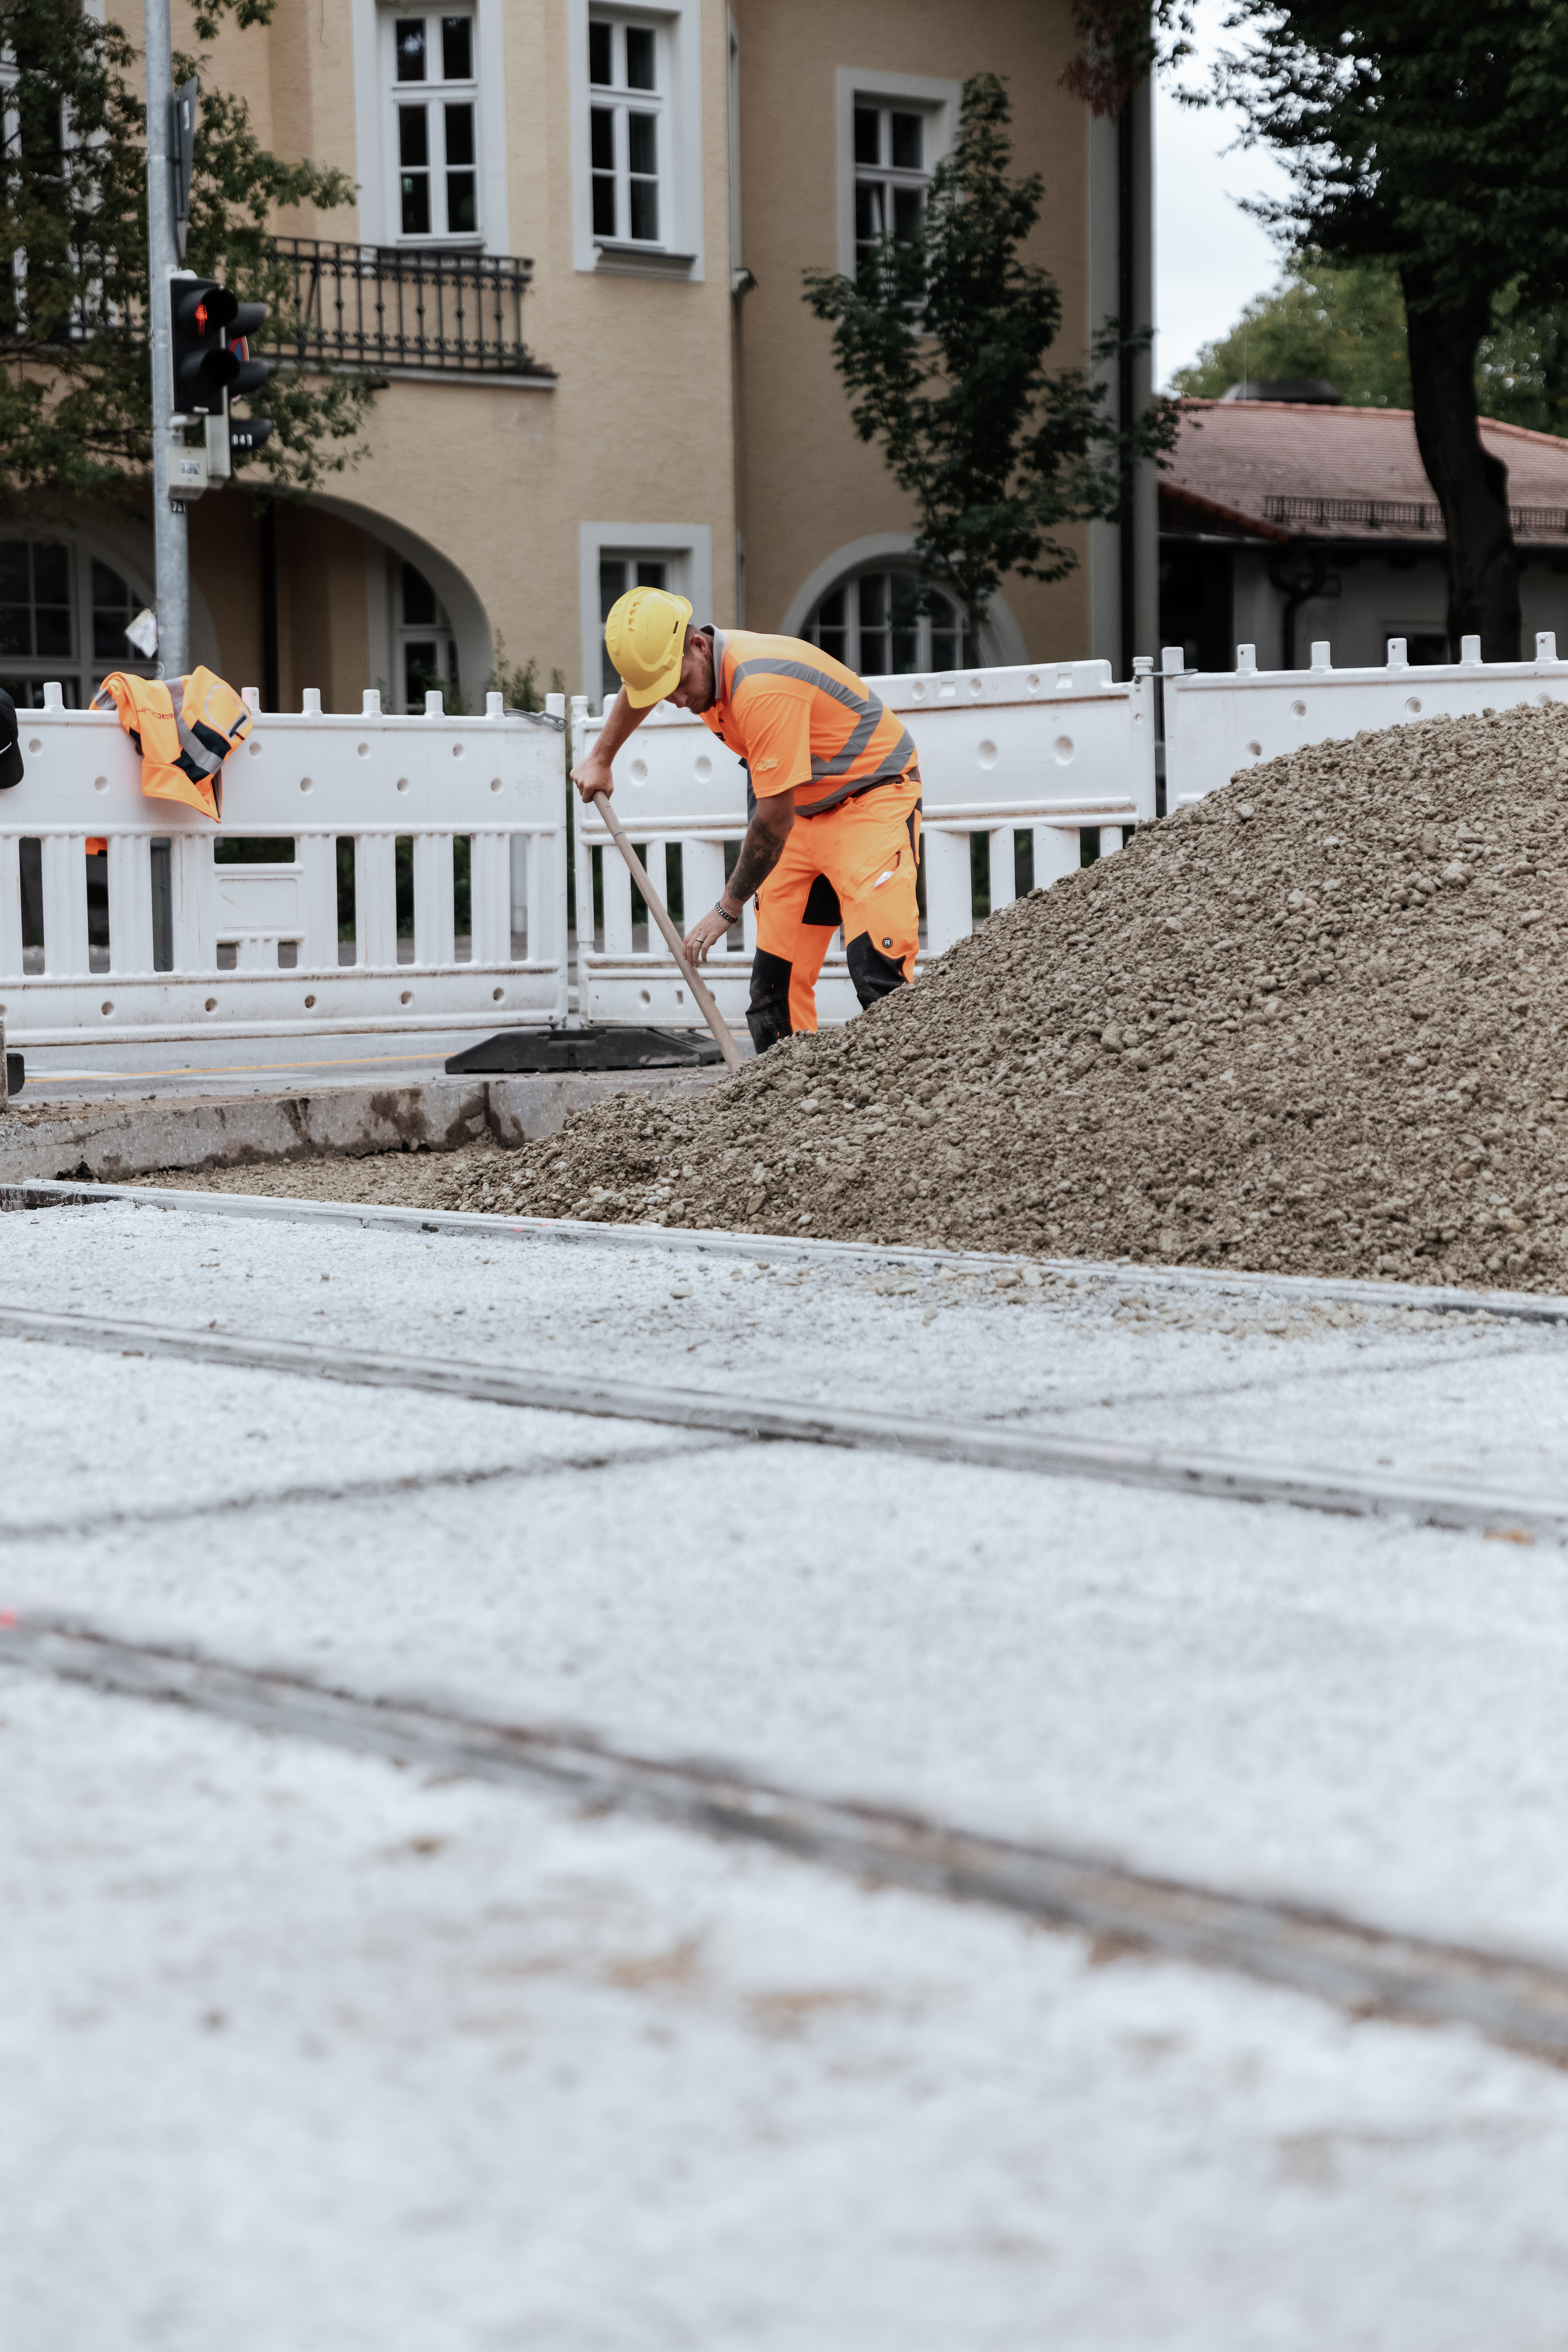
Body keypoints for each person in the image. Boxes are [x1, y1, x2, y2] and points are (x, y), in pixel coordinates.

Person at [570, 586, 922, 1053]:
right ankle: (787, 1113)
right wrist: (601, 756)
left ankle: (906, 1110)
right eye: (663, 690)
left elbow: (771, 823)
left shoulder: (761, 687)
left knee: (879, 977)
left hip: (870, 800)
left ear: (699, 645)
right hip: (803, 812)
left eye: (679, 683)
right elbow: (642, 691)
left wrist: (727, 909)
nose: (675, 699)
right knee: (772, 995)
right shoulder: (693, 669)